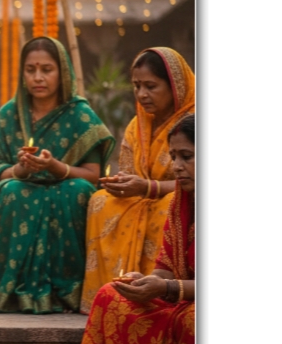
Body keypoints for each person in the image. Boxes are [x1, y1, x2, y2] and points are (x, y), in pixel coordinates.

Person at [66, 113, 195, 344]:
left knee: (190, 323)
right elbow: (166, 265)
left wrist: (167, 288)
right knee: (112, 296)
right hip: (181, 295)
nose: (176, 166)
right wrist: (145, 281)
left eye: (187, 157)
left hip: (193, 306)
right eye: (174, 156)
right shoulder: (182, 202)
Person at [0, 37, 114, 313]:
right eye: (30, 69)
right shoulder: (8, 115)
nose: (38, 77)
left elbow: (93, 176)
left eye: (46, 69)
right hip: (22, 185)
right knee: (12, 191)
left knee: (78, 191)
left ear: (63, 72)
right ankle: (17, 290)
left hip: (67, 184)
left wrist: (56, 167)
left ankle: (69, 289)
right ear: (22, 73)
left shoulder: (81, 115)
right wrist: (20, 169)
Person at [79, 47, 195, 313]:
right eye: (137, 86)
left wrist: (149, 187)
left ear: (175, 86)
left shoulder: (195, 122)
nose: (142, 94)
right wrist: (121, 184)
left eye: (151, 86)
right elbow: (132, 171)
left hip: (178, 197)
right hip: (142, 196)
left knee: (168, 205)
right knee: (100, 202)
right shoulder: (137, 125)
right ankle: (121, 287)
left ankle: (161, 290)